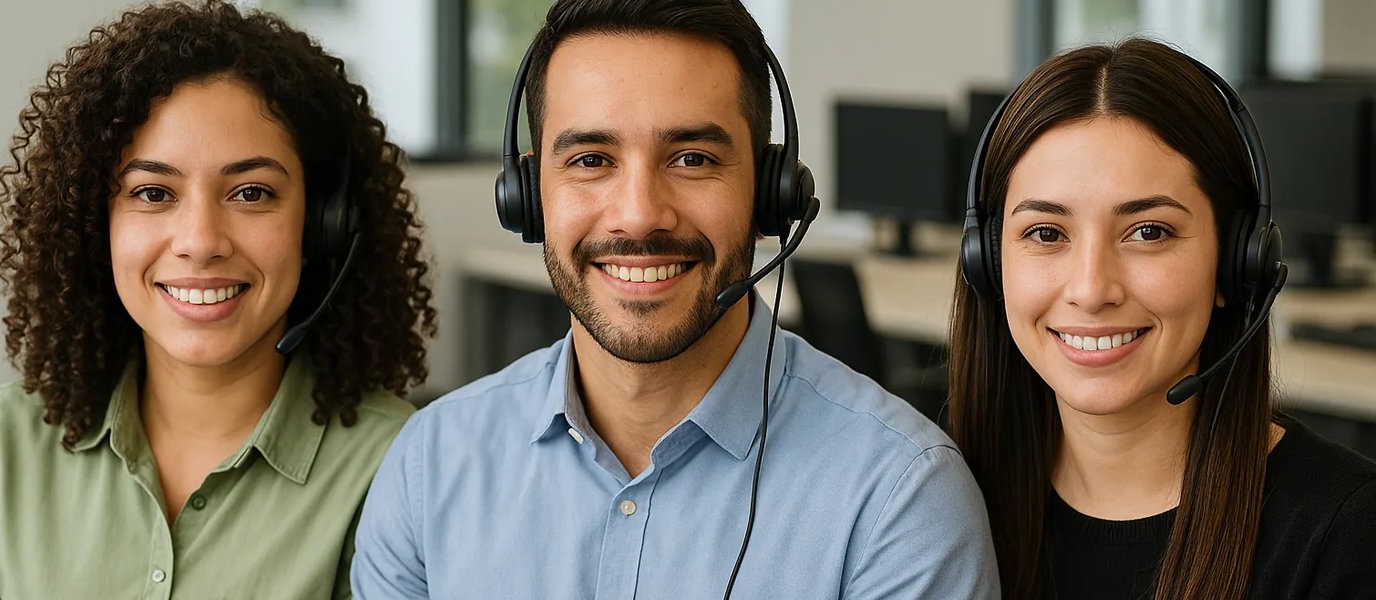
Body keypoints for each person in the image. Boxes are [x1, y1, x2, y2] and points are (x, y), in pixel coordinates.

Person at [352, 0, 998, 598]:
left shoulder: (899, 499)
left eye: (691, 158)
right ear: (527, 195)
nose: (638, 216)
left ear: (770, 193)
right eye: (590, 160)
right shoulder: (429, 467)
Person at [0, 2, 437, 597]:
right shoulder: (3, 443)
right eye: (152, 192)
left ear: (323, 224)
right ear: (97, 224)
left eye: (250, 192)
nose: (200, 242)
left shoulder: (400, 466)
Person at [948, 38, 1376, 599]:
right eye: (1046, 233)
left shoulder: (1345, 535)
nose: (1092, 289)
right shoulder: (937, 503)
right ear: (989, 264)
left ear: (1233, 265)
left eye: (1149, 232)